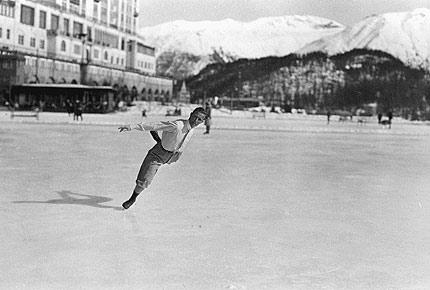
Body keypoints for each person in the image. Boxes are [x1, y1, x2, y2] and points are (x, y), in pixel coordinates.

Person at [118, 107, 208, 209]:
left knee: (164, 144)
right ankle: (133, 198)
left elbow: (177, 141)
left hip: (172, 156)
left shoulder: (192, 130)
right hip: (157, 155)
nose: (196, 121)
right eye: (195, 117)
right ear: (191, 114)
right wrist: (131, 127)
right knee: (144, 180)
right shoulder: (177, 125)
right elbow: (155, 124)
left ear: (203, 121)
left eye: (200, 119)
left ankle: (157, 138)